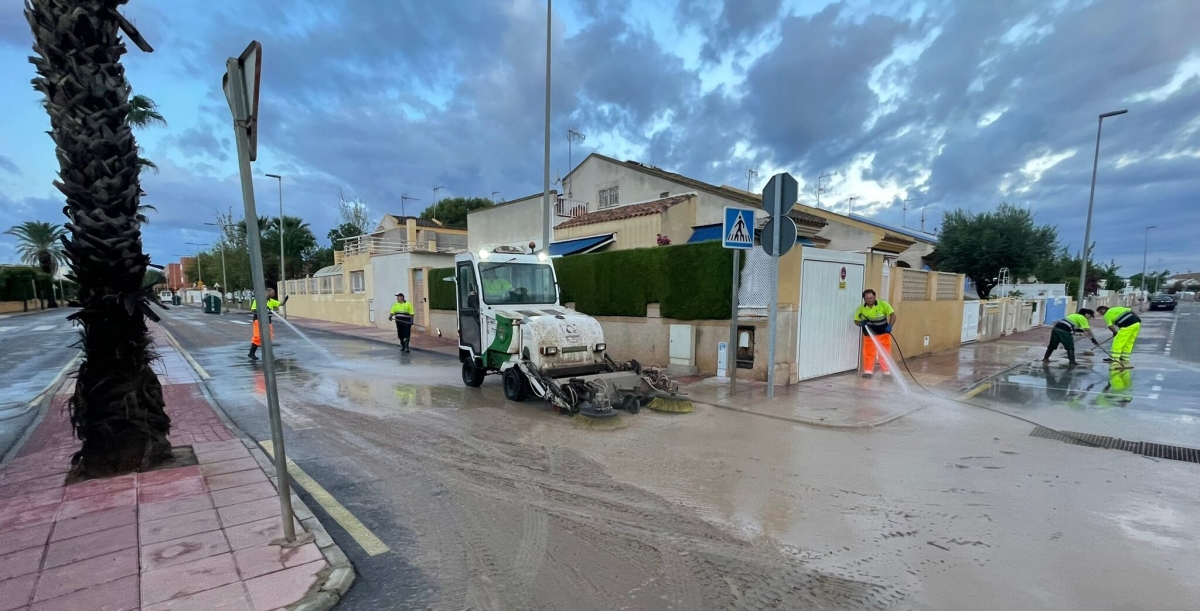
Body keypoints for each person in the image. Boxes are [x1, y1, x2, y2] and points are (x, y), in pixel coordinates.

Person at [854, 289, 896, 378]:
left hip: (883, 334)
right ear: (864, 299)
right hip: (869, 335)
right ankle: (868, 371)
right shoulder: (861, 309)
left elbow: (893, 315)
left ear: (875, 296)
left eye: (871, 298)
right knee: (869, 353)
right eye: (867, 298)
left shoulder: (883, 304)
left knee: (885, 353)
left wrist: (890, 326)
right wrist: (861, 324)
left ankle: (886, 372)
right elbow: (856, 320)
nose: (869, 300)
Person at [247, 288, 286, 361]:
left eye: (272, 294)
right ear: (267, 293)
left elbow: (280, 303)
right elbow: (253, 309)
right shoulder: (258, 300)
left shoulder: (271, 301)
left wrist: (285, 300)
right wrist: (263, 308)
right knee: (258, 337)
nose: (271, 295)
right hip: (258, 320)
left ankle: (269, 354)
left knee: (268, 337)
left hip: (268, 321)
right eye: (270, 294)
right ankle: (251, 353)